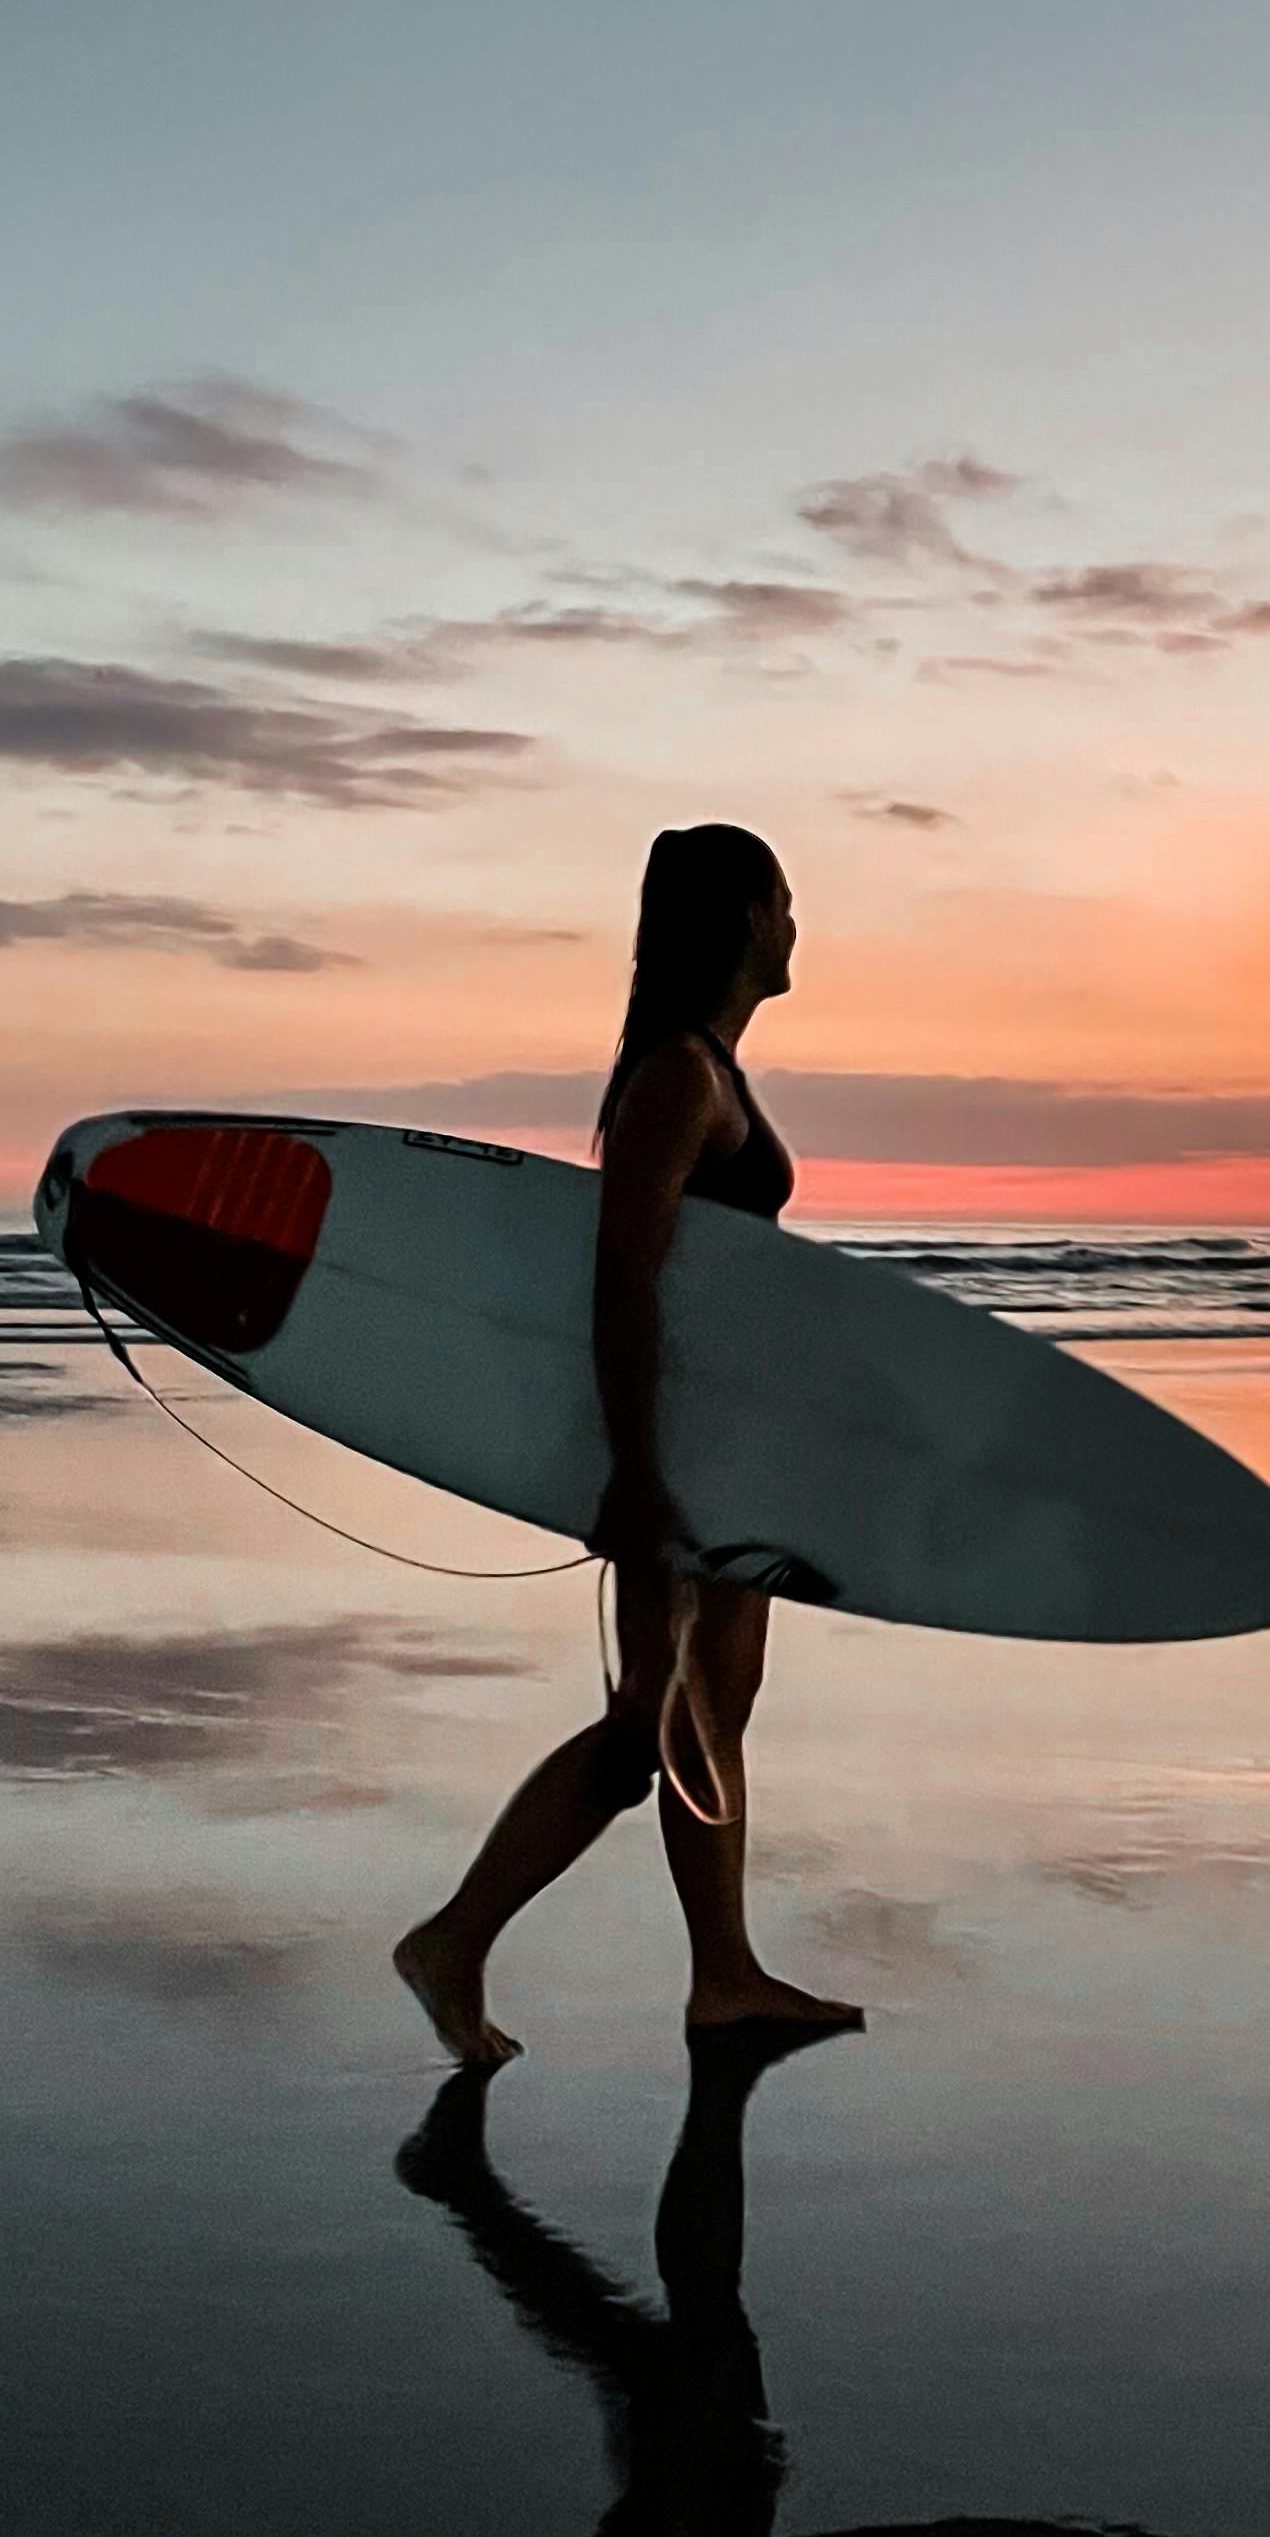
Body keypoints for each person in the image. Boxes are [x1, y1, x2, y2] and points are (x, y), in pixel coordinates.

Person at [394, 823, 863, 2064]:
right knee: (653, 1720)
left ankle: (723, 1975)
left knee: (699, 1711)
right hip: (678, 1449)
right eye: (785, 900)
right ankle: (457, 1941)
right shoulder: (681, 1080)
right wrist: (639, 1469)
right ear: (747, 918)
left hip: (723, 1443)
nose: (796, 925)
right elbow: (622, 1282)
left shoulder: (710, 1071)